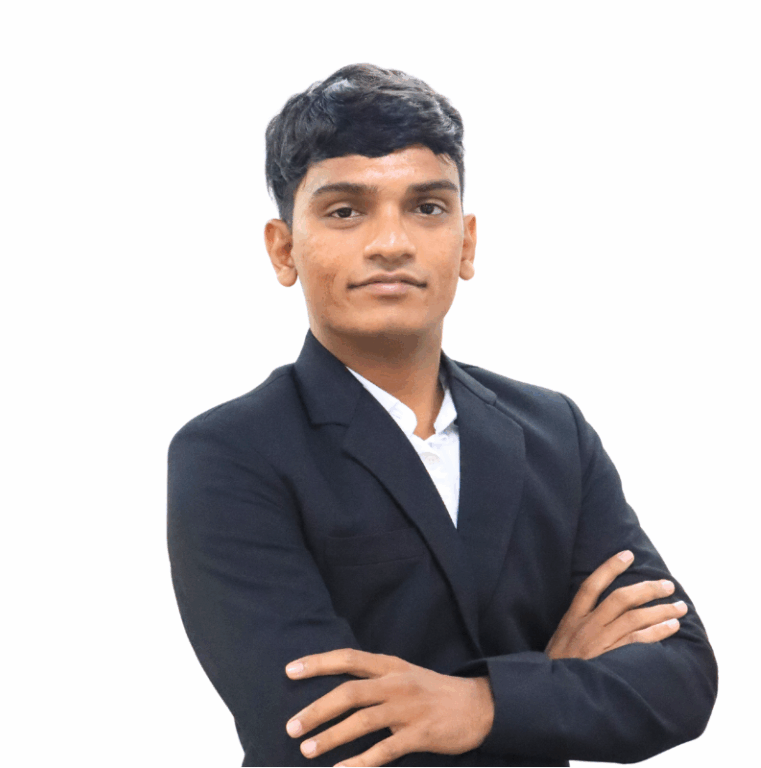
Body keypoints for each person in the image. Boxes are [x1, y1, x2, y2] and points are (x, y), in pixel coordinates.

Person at [167, 63, 717, 767]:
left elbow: (681, 680)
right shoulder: (231, 453)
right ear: (284, 249)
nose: (391, 243)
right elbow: (322, 738)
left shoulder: (554, 433)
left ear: (466, 242)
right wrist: (547, 682)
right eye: (346, 211)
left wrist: (480, 704)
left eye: (427, 207)